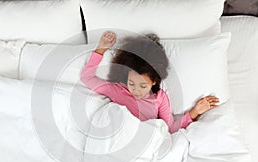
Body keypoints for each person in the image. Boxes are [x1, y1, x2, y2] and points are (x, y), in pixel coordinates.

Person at [80, 31, 219, 133]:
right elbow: (87, 78)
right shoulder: (117, 90)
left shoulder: (160, 98)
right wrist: (100, 49)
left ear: (153, 82)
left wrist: (195, 111)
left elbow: (170, 128)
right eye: (131, 83)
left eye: (143, 86)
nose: (136, 90)